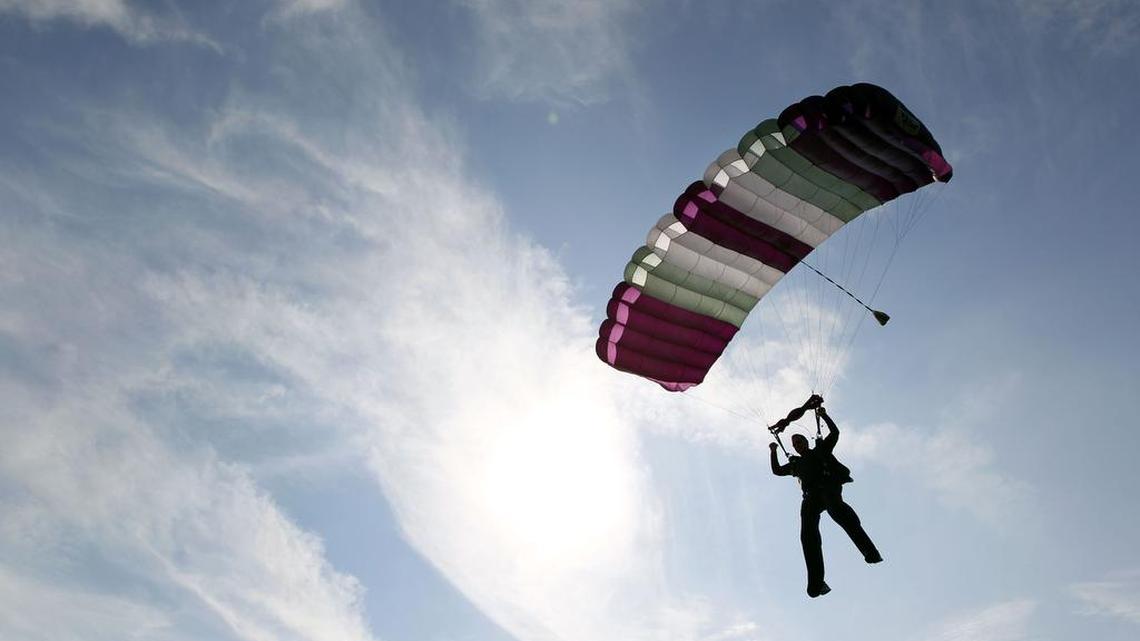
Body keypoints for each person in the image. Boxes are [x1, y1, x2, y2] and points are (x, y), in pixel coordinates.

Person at [769, 404, 882, 598]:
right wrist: (773, 451)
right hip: (811, 497)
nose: (797, 444)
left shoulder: (820, 449)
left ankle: (870, 552)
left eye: (800, 441)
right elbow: (777, 471)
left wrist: (825, 415)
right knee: (807, 536)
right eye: (795, 443)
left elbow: (835, 433)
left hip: (827, 488)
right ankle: (816, 583)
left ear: (806, 442)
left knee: (839, 513)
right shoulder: (795, 463)